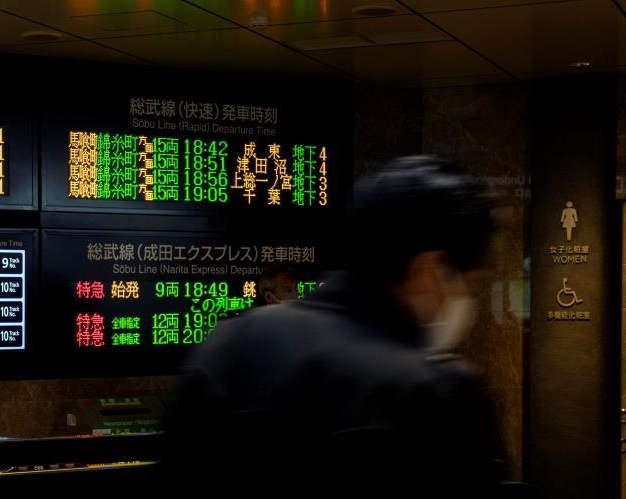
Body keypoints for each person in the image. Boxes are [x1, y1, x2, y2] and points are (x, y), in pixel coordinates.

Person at [162, 156, 506, 495]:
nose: (465, 299)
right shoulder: (437, 392)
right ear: (430, 268)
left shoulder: (230, 345)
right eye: (470, 284)